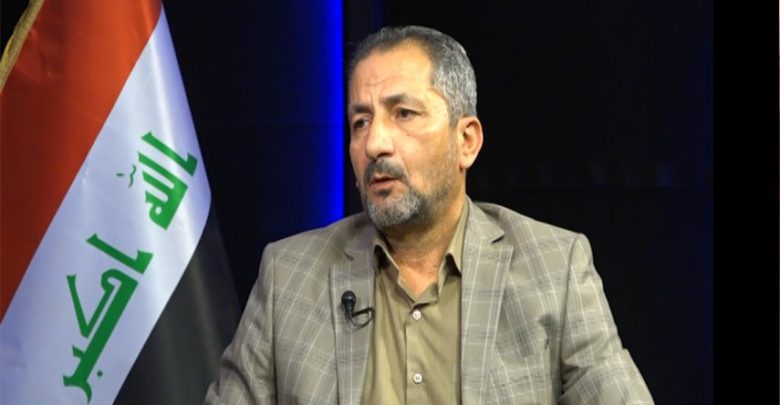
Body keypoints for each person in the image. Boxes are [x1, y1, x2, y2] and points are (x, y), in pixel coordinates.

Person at [204, 25, 653, 404]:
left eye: (403, 113)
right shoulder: (289, 276)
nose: (375, 143)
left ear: (466, 141)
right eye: (361, 122)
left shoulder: (554, 267)